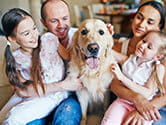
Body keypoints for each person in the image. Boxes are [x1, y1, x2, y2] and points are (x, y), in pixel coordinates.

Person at [0, 8, 82, 125]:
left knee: (66, 117)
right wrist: (63, 85)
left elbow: (70, 56)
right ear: (12, 39)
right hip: (35, 99)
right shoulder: (15, 59)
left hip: (62, 96)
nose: (34, 36)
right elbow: (23, 91)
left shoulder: (49, 39)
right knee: (14, 118)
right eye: (26, 34)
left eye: (34, 28)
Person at [110, 1, 166, 124]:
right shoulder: (120, 47)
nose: (141, 24)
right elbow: (114, 85)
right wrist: (137, 99)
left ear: (159, 27)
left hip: (158, 105)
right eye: (139, 17)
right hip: (127, 101)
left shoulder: (161, 56)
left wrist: (143, 110)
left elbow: (164, 95)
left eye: (149, 22)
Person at [101, 31, 166, 125]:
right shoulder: (130, 60)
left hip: (144, 109)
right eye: (144, 41)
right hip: (123, 102)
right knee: (109, 121)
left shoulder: (157, 68)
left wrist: (122, 78)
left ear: (158, 56)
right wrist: (105, 36)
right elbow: (110, 52)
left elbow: (147, 93)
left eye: (149, 47)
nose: (143, 46)